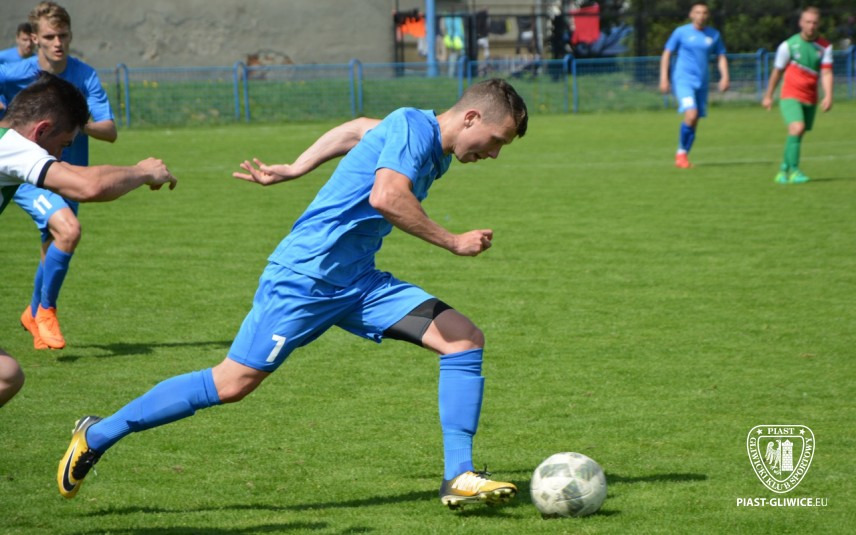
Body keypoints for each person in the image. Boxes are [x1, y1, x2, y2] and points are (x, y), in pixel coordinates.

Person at [57, 78, 528, 510]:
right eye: (496, 141)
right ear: (471, 118)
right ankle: (97, 434)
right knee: (232, 384)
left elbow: (356, 130)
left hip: (358, 283)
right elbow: (387, 197)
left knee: (463, 339)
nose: (494, 154)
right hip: (304, 280)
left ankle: (459, 475)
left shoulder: (422, 140)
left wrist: (297, 167)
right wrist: (452, 241)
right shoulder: (414, 127)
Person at [0, 73, 176, 407]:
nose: (60, 156)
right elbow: (87, 186)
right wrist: (142, 171)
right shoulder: (11, 147)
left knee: (6, 375)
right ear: (41, 130)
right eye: (63, 145)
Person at [0, 2, 118, 351]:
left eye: (63, 36)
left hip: (67, 172)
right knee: (67, 229)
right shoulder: (15, 72)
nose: (57, 43)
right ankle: (46, 312)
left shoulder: (85, 76)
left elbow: (110, 130)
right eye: (50, 36)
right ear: (35, 38)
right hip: (25, 173)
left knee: (53, 245)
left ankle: (34, 312)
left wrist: (72, 122)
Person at [761, 6, 833, 184]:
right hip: (790, 95)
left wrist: (828, 95)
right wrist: (768, 95)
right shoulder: (788, 46)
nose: (811, 26)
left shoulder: (825, 47)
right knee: (797, 128)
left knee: (797, 133)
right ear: (801, 23)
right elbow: (777, 72)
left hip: (810, 97)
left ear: (819, 24)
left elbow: (826, 73)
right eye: (808, 22)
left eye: (814, 23)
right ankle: (794, 171)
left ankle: (783, 171)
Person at [659, 1, 729, 169]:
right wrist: (664, 78)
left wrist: (725, 77)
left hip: (702, 82)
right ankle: (681, 155)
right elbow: (667, 53)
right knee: (691, 114)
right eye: (697, 12)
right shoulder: (681, 32)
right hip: (683, 80)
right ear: (691, 15)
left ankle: (682, 153)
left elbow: (721, 56)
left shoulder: (713, 35)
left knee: (695, 119)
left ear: (708, 15)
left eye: (704, 13)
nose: (701, 16)